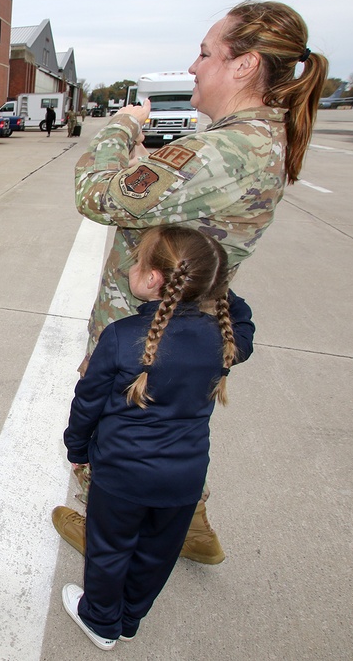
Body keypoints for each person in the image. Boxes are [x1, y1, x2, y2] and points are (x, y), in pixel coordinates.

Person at [51, 0, 329, 565]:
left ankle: (105, 527)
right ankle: (191, 524)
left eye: (206, 53)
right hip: (194, 317)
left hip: (141, 314)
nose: (195, 66)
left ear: (245, 65)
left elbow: (96, 194)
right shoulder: (256, 140)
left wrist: (119, 128)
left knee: (116, 417)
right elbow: (166, 191)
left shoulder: (217, 150)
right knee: (170, 425)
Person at [60, 226, 254, 650]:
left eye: (139, 260)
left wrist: (77, 449)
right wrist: (222, 290)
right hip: (183, 479)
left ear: (152, 280)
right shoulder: (222, 339)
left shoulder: (121, 337)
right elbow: (245, 327)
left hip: (121, 476)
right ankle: (130, 619)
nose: (132, 265)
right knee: (156, 554)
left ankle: (100, 621)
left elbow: (87, 404)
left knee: (110, 550)